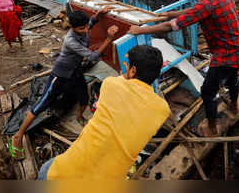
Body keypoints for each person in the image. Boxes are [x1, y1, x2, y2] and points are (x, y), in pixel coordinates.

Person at [129, 0, 239, 137]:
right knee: (232, 78)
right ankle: (233, 105)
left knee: (208, 92)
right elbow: (197, 10)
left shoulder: (208, 4)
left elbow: (171, 27)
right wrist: (170, 13)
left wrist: (141, 30)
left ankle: (212, 128)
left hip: (226, 54)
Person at [37, 45, 170, 180]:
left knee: (46, 168)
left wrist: (126, 76)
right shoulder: (162, 110)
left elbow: (121, 83)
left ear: (133, 71)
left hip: (65, 173)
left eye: (128, 66)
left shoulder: (110, 84)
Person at [9, 7, 118, 159]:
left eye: (86, 26)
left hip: (75, 71)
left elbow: (91, 22)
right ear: (72, 28)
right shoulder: (71, 40)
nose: (86, 30)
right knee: (42, 104)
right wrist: (108, 39)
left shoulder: (84, 27)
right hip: (60, 74)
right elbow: (92, 57)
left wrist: (99, 13)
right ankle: (18, 135)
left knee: (84, 97)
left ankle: (80, 117)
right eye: (81, 28)